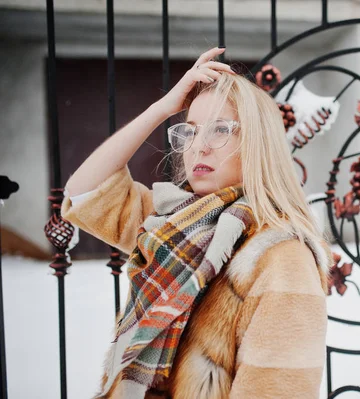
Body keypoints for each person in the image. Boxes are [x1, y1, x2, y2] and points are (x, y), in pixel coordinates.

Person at [60, 46, 332, 399]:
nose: (198, 146)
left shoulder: (281, 257)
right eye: (189, 131)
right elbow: (84, 192)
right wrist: (164, 108)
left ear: (257, 144)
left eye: (220, 130)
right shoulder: (170, 226)